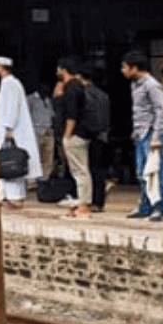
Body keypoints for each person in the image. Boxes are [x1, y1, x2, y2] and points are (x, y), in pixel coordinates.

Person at [122, 50, 163, 222]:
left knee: (157, 170)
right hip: (141, 132)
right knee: (142, 171)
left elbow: (160, 111)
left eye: (125, 67)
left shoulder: (152, 84)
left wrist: (156, 136)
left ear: (135, 68)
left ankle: (162, 208)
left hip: (152, 132)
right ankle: (146, 206)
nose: (123, 70)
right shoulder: (135, 85)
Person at [0, 56, 43, 209]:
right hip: (10, 130)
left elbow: (12, 107)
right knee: (8, 164)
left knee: (13, 164)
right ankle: (7, 197)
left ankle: (15, 198)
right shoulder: (7, 83)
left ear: (1, 67)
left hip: (12, 131)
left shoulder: (11, 84)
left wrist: (8, 128)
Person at [57, 57, 91, 218]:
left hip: (75, 133)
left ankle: (83, 205)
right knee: (79, 170)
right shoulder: (78, 87)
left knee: (80, 170)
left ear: (63, 70)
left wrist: (67, 135)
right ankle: (81, 202)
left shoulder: (71, 89)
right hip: (81, 132)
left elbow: (72, 115)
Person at [81, 64, 111, 212]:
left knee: (88, 170)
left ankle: (89, 200)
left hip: (90, 135)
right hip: (103, 135)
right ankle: (99, 202)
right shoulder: (104, 95)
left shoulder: (84, 94)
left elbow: (86, 115)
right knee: (99, 170)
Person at [27, 82, 55, 185]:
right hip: (36, 132)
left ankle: (45, 179)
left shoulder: (48, 100)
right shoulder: (31, 99)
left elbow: (52, 115)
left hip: (48, 132)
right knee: (35, 156)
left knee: (48, 157)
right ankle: (33, 180)